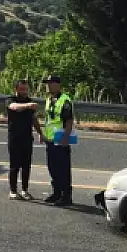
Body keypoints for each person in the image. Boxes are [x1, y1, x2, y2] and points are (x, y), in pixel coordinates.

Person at [6, 79, 45, 201]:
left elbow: (33, 119)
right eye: (22, 89)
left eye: (26, 89)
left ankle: (24, 190)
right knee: (14, 166)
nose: (25, 91)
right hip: (14, 138)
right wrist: (28, 105)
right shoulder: (11, 100)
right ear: (16, 89)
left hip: (27, 137)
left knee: (26, 166)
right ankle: (13, 190)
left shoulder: (30, 102)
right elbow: (14, 107)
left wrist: (40, 133)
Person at [43, 75, 75, 206]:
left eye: (51, 83)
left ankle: (66, 196)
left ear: (57, 84)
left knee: (63, 169)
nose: (48, 86)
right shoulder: (49, 99)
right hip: (50, 138)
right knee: (52, 167)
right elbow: (48, 120)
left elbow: (69, 120)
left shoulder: (65, 100)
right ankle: (56, 192)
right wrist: (43, 134)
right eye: (47, 83)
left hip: (61, 138)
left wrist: (66, 137)